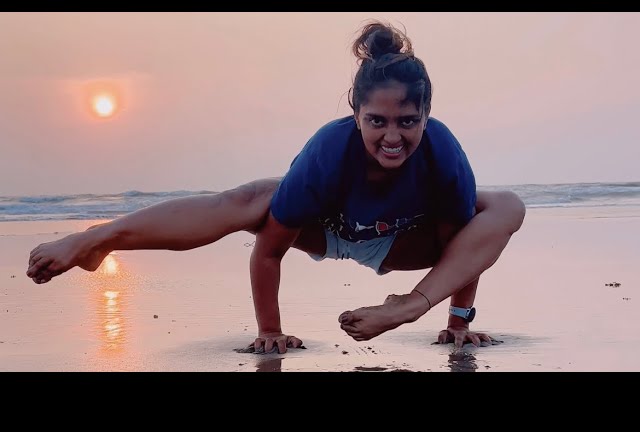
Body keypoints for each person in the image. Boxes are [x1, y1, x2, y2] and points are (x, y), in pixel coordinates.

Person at [26, 20, 526, 354]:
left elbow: (465, 246)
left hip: (403, 243)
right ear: (355, 113)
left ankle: (411, 303)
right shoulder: (329, 150)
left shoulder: (443, 153)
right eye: (376, 120)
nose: (392, 136)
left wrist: (456, 323)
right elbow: (268, 250)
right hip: (325, 228)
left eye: (408, 122)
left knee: (504, 205)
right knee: (252, 198)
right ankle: (96, 239)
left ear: (426, 116)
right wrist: (270, 330)